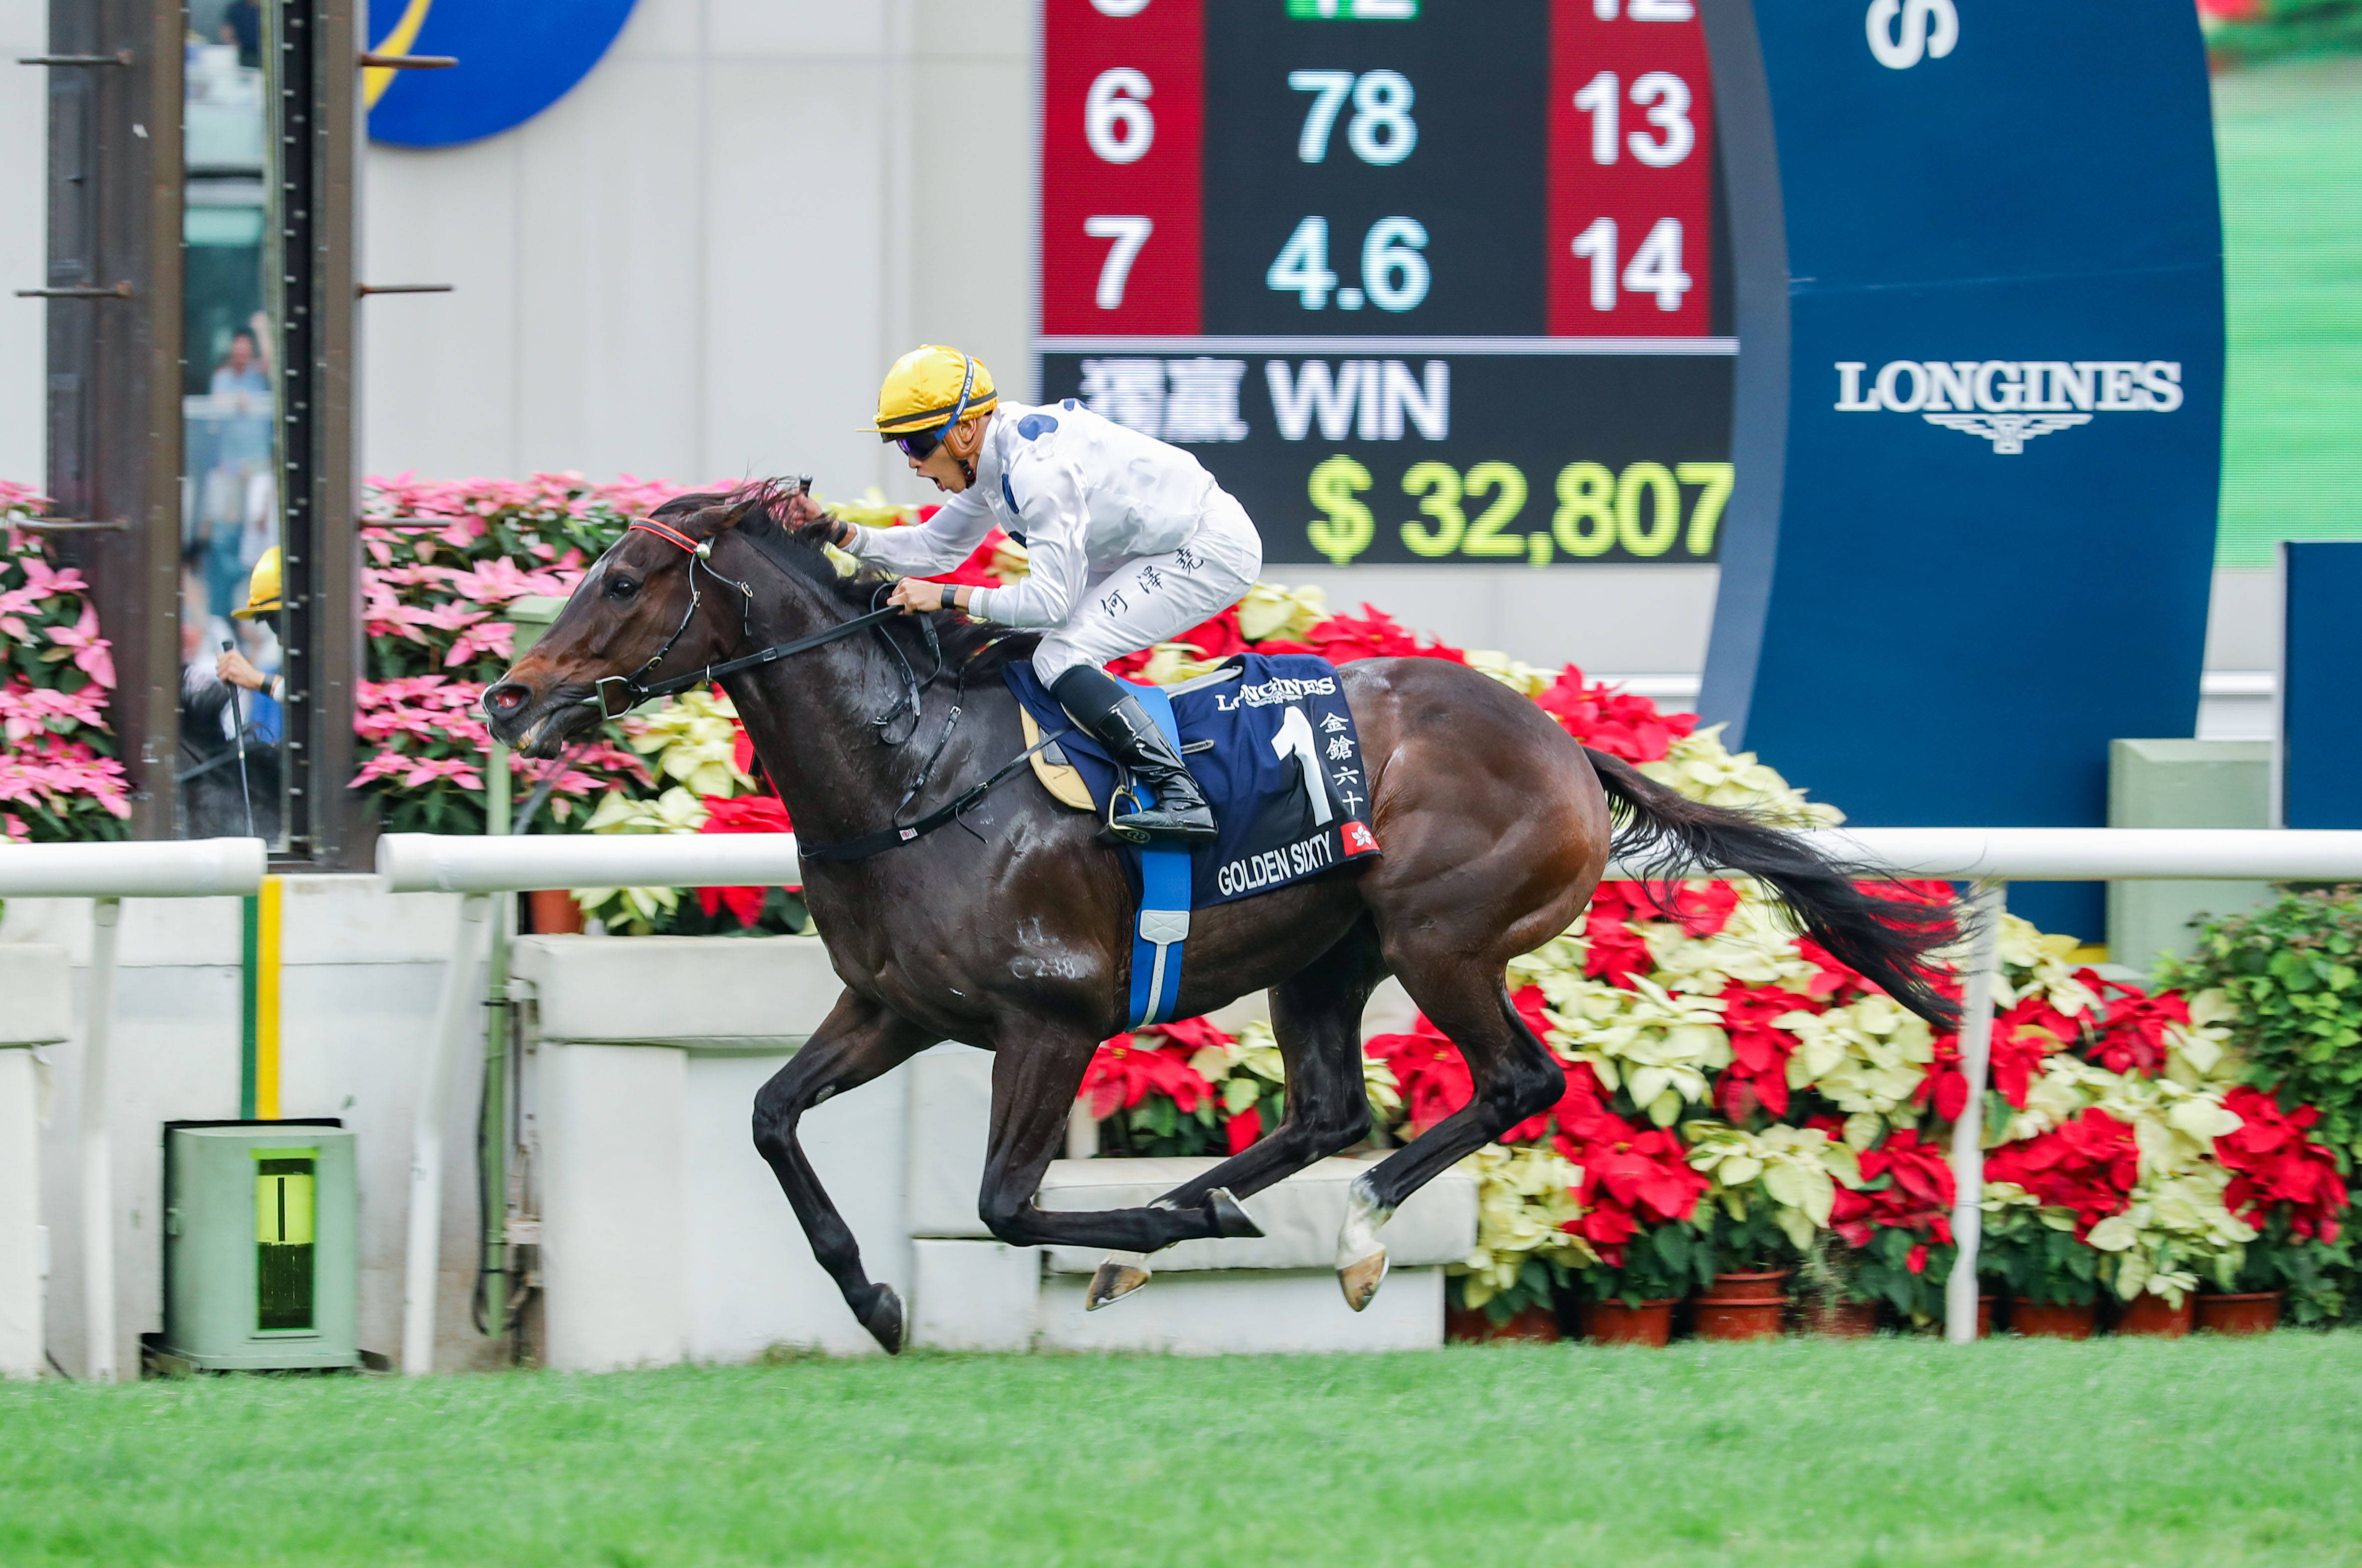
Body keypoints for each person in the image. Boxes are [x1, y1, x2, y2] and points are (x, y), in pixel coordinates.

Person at [795, 346, 1262, 844]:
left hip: (1207, 546)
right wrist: (841, 533)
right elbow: (934, 548)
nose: (912, 463)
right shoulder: (991, 455)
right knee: (1031, 650)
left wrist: (949, 598)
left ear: (964, 429)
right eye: (901, 446)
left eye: (916, 443)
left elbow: (1051, 605)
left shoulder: (1036, 472)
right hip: (1149, 545)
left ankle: (1181, 797)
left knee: (1059, 654)